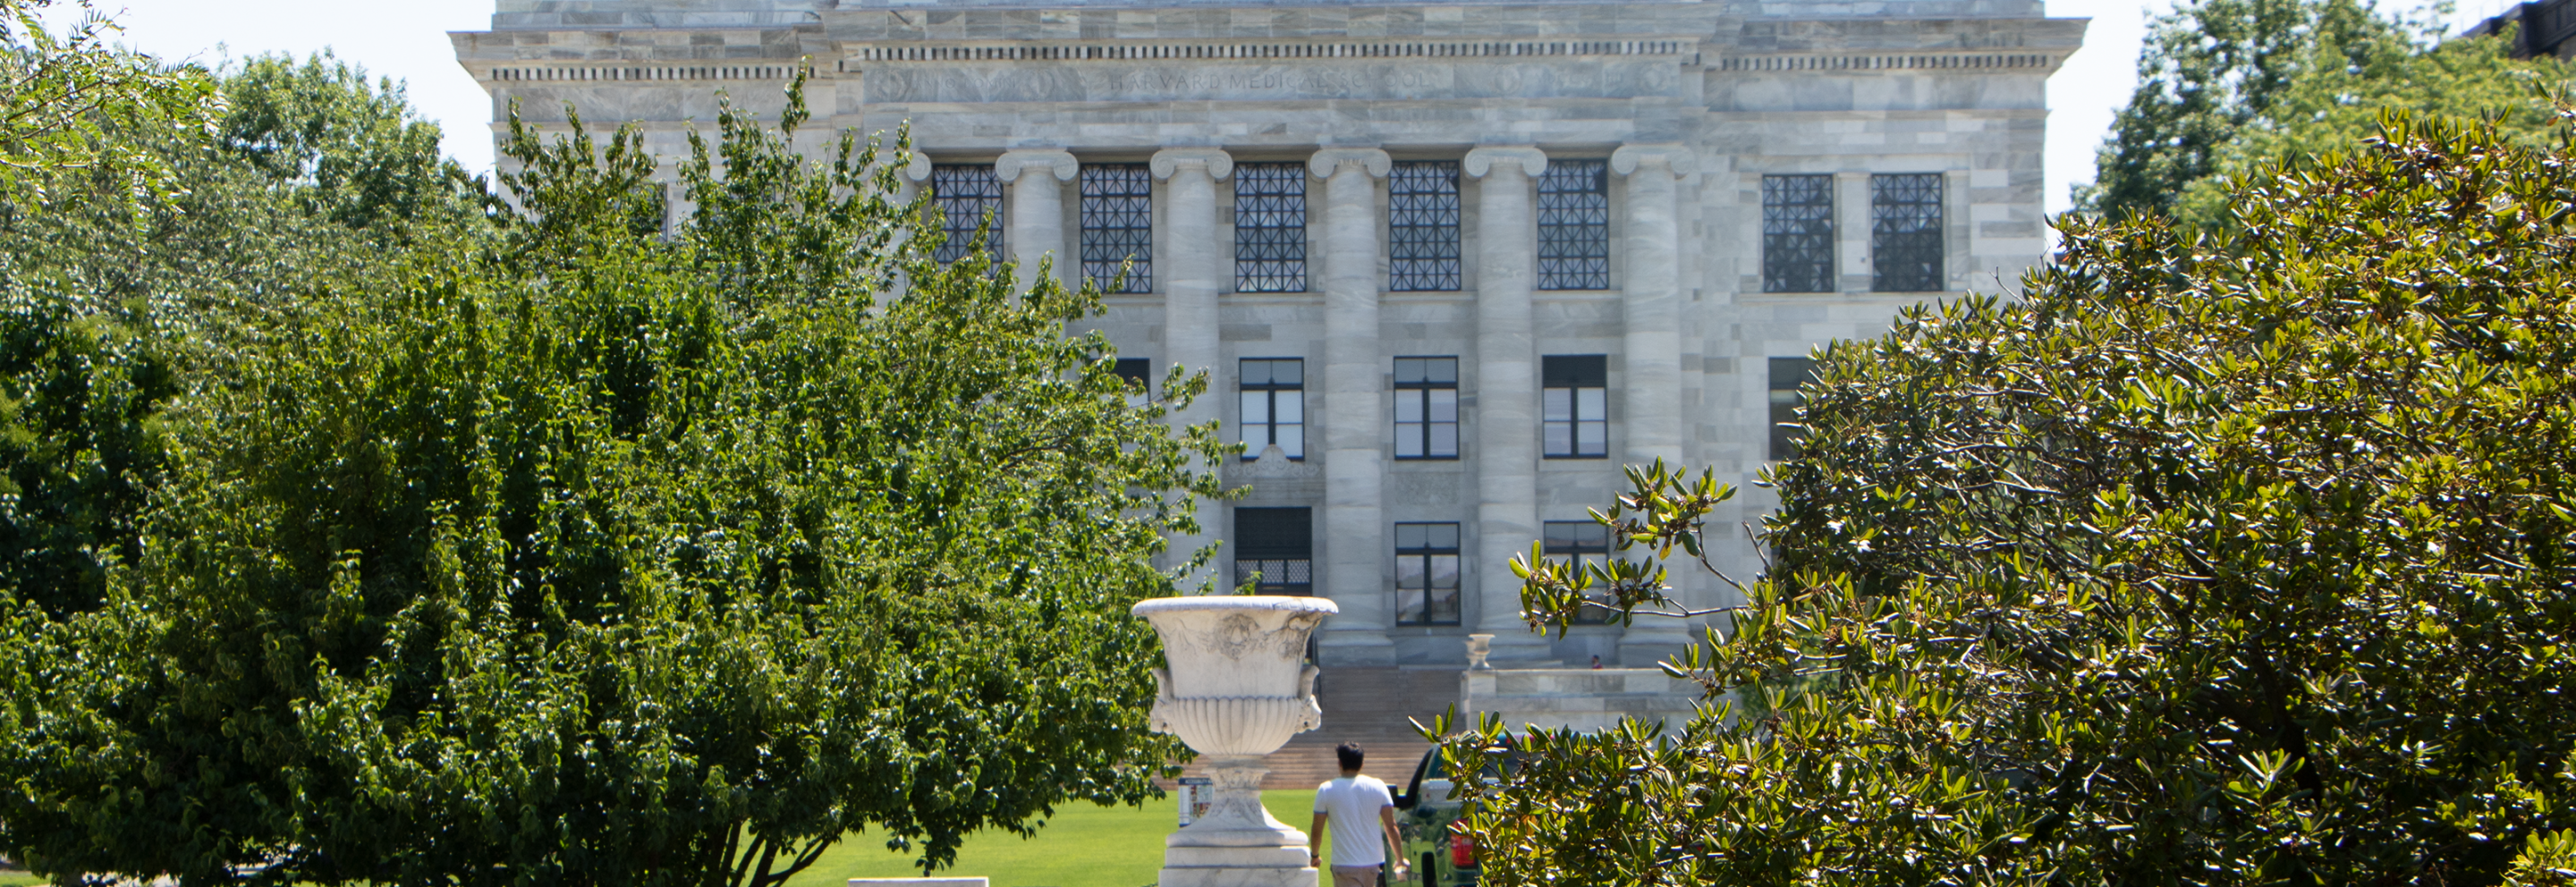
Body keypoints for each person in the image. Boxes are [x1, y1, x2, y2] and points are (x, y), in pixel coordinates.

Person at [1311, 742, 1409, 886]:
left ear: (1339, 763)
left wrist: (1315, 855)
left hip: (1344, 863)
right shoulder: (1379, 786)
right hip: (1373, 863)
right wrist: (1400, 860)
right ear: (1362, 764)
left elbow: (1317, 831)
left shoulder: (1326, 789)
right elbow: (1391, 827)